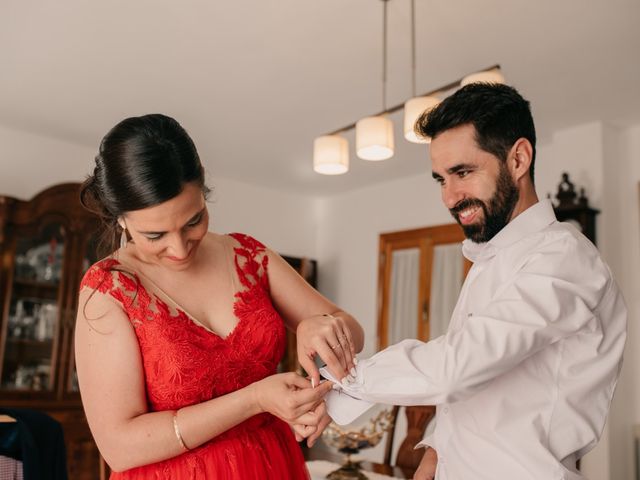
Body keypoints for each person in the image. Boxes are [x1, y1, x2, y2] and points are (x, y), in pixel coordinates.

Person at [329, 83, 627, 480]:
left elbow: (459, 364)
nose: (449, 197)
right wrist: (436, 450)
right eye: (440, 179)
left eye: (463, 172)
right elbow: (486, 388)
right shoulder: (492, 259)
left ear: (518, 159)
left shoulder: (563, 258)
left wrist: (344, 381)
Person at [75, 113, 364, 479]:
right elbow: (119, 448)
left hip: (273, 466)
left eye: (193, 220)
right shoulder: (109, 289)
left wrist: (319, 327)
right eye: (154, 236)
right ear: (121, 220)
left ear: (204, 191)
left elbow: (352, 330)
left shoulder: (248, 255)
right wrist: (255, 399)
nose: (179, 248)